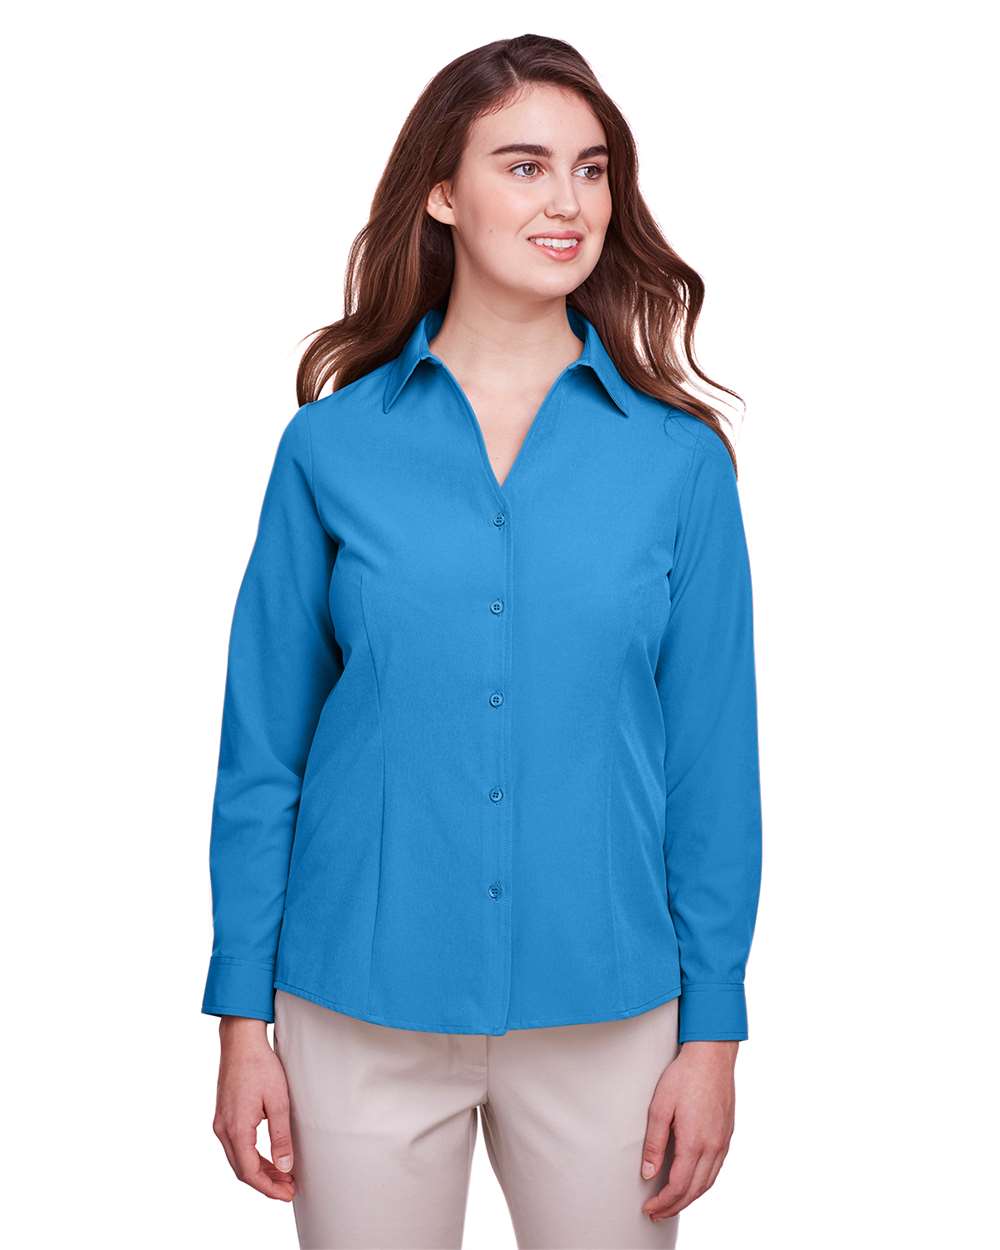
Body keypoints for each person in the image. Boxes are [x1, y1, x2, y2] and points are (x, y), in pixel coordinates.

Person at [202, 33, 762, 1250]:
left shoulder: (678, 465)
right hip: (357, 1000)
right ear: (443, 194)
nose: (568, 202)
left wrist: (712, 1030)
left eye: (591, 169)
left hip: (609, 1009)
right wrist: (242, 1017)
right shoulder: (330, 450)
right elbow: (264, 751)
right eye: (524, 166)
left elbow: (712, 764)